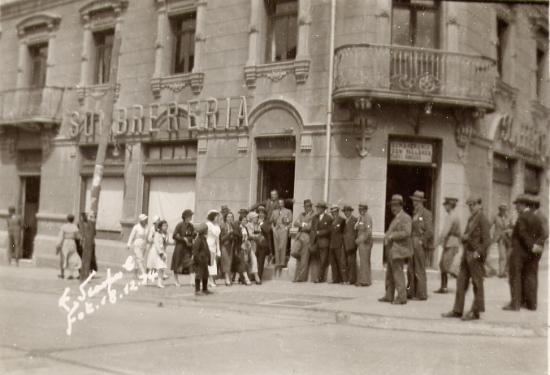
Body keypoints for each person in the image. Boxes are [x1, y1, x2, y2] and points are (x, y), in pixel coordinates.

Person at [443, 196, 491, 321]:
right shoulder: (471, 218)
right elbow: (467, 235)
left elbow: (487, 241)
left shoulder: (483, 219)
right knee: (461, 282)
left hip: (475, 256)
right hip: (467, 255)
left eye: (473, 204)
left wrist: (479, 253)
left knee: (477, 284)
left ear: (479, 205)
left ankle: (476, 312)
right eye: (469, 205)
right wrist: (464, 238)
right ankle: (457, 310)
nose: (471, 207)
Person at [503, 195, 545, 311]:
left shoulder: (521, 217)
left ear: (522, 205)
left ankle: (515, 304)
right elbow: (542, 233)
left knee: (515, 277)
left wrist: (530, 246)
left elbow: (522, 234)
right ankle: (531, 304)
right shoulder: (537, 217)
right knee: (530, 277)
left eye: (517, 205)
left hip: (519, 252)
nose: (516, 208)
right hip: (532, 254)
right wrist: (536, 246)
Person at [379, 195, 412, 304]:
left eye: (396, 205)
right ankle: (389, 295)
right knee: (389, 274)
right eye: (392, 205)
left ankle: (402, 297)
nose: (393, 208)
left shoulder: (405, 217)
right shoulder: (396, 217)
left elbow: (407, 233)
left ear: (401, 206)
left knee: (398, 274)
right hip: (392, 250)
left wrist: (392, 235)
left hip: (399, 250)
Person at [407, 191, 433, 301]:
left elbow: (430, 231)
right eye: (413, 201)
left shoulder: (426, 213)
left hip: (419, 244)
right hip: (412, 242)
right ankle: (411, 292)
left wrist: (422, 241)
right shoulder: (415, 213)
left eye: (416, 201)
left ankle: (421, 294)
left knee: (419, 268)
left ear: (421, 202)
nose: (414, 203)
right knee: (410, 268)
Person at [434, 197, 462, 293]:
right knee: (443, 265)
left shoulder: (451, 216)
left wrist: (437, 243)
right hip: (450, 243)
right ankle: (444, 287)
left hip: (451, 243)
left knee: (447, 266)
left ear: (450, 205)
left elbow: (445, 232)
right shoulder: (453, 215)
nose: (445, 207)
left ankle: (462, 281)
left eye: (446, 205)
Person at [171, 210, 195, 287]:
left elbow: (193, 236)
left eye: (191, 216)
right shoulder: (179, 225)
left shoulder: (191, 226)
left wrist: (190, 241)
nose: (191, 217)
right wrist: (183, 239)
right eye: (189, 216)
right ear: (185, 217)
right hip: (179, 247)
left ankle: (192, 281)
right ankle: (176, 280)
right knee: (177, 264)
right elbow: (174, 235)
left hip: (188, 248)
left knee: (191, 263)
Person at [293, 199, 315, 282]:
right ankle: (301, 258)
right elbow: (295, 223)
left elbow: (310, 227)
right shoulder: (301, 214)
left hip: (307, 237)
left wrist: (301, 224)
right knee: (293, 252)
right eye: (305, 206)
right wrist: (304, 224)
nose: (307, 208)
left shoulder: (314, 215)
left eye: (308, 206)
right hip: (299, 236)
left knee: (304, 260)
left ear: (311, 206)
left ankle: (300, 278)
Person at [311, 201, 332, 283]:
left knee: (323, 261)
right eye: (317, 208)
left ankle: (320, 277)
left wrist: (319, 233)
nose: (317, 209)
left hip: (324, 242)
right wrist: (312, 240)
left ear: (323, 209)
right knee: (317, 260)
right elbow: (312, 229)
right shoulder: (315, 217)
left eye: (319, 208)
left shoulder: (328, 218)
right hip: (316, 242)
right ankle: (316, 276)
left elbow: (329, 230)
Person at [271, 198, 292, 278]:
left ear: (284, 204)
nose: (280, 204)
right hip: (276, 230)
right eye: (279, 203)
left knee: (282, 246)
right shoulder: (274, 212)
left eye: (281, 203)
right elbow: (271, 221)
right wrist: (273, 228)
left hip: (283, 230)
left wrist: (287, 228)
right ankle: (277, 262)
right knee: (276, 246)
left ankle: (282, 262)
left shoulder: (288, 211)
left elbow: (290, 222)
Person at [56, 214, 82, 280]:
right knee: (73, 257)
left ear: (67, 219)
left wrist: (58, 245)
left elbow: (61, 237)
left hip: (65, 243)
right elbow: (78, 237)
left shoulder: (64, 227)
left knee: (64, 257)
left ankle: (62, 274)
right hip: (72, 242)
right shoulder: (75, 227)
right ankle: (71, 274)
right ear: (73, 220)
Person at [147, 220, 172, 288]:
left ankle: (159, 282)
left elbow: (167, 242)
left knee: (161, 268)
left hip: (162, 251)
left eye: (166, 226)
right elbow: (157, 245)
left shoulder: (166, 234)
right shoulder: (157, 234)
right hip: (156, 252)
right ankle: (147, 279)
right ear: (160, 227)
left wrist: (174, 243)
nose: (166, 227)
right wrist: (161, 254)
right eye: (164, 226)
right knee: (156, 267)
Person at [491, 204, 513, 278]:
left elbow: (512, 227)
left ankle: (506, 271)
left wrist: (509, 230)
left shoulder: (509, 217)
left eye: (504, 210)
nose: (503, 211)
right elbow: (489, 225)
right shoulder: (495, 217)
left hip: (508, 238)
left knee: (509, 255)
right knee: (502, 255)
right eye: (501, 209)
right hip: (500, 238)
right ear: (499, 210)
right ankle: (501, 272)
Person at [355, 202, 373, 287]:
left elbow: (368, 232)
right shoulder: (361, 217)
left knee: (364, 261)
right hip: (361, 242)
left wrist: (360, 240)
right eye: (359, 209)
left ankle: (364, 281)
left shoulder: (367, 217)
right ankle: (365, 280)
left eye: (362, 209)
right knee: (363, 261)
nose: (360, 210)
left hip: (365, 243)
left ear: (365, 209)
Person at [193, 223, 213, 296]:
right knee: (199, 275)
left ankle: (205, 289)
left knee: (205, 275)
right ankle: (197, 290)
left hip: (204, 261)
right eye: (206, 230)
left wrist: (208, 259)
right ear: (203, 231)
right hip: (200, 261)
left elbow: (207, 250)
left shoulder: (203, 239)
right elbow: (195, 252)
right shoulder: (198, 240)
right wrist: (198, 260)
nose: (207, 231)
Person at [126, 214, 149, 279]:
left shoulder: (147, 227)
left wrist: (147, 244)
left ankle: (135, 274)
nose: (145, 221)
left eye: (145, 219)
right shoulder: (136, 227)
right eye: (144, 220)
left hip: (144, 244)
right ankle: (144, 273)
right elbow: (131, 236)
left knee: (137, 259)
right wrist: (128, 244)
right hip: (137, 244)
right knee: (140, 259)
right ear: (141, 220)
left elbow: (147, 236)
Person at [329, 205, 347, 284]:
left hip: (339, 244)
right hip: (332, 244)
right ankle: (335, 279)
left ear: (338, 212)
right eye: (332, 212)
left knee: (340, 262)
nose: (334, 213)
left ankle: (343, 279)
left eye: (335, 212)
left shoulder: (342, 220)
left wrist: (343, 243)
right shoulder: (331, 221)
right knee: (333, 263)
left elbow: (344, 233)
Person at [220, 211, 238, 286]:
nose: (230, 218)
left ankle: (228, 277)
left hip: (232, 246)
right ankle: (227, 277)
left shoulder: (233, 226)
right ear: (226, 218)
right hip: (225, 245)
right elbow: (222, 239)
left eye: (231, 217)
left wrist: (234, 235)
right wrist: (229, 233)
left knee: (230, 261)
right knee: (226, 261)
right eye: (228, 217)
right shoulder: (223, 226)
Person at [79, 212, 97, 281]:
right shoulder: (86, 224)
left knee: (87, 259)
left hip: (89, 244)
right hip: (87, 243)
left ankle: (85, 274)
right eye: (90, 216)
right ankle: (84, 274)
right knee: (85, 259)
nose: (91, 218)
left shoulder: (89, 224)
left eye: (92, 217)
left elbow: (92, 234)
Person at [342, 205, 358, 285]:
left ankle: (351, 280)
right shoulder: (344, 221)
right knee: (344, 262)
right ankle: (345, 279)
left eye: (348, 211)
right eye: (345, 211)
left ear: (351, 211)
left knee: (351, 263)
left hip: (351, 245)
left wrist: (354, 244)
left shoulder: (355, 220)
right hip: (344, 244)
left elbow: (356, 233)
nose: (346, 213)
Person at [206, 210, 222, 287]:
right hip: (207, 245)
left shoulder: (217, 226)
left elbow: (217, 239)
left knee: (212, 264)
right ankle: (210, 280)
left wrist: (218, 250)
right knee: (209, 264)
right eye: (216, 217)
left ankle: (211, 280)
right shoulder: (208, 225)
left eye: (217, 217)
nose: (217, 218)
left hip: (213, 247)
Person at [256, 206, 272, 281]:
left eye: (262, 213)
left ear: (265, 215)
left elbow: (267, 230)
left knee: (260, 261)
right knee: (253, 261)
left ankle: (259, 277)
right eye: (259, 213)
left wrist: (261, 224)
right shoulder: (255, 221)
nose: (261, 214)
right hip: (254, 244)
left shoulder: (267, 222)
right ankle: (253, 276)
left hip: (263, 245)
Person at [246, 211, 262, 284]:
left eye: (257, 217)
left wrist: (258, 236)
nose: (257, 218)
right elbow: (249, 235)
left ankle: (247, 277)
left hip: (255, 245)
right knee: (253, 260)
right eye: (255, 217)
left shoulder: (257, 225)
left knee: (251, 261)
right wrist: (256, 236)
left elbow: (260, 233)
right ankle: (256, 276)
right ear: (252, 218)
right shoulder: (248, 225)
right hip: (248, 245)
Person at [237, 215, 253, 285]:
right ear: (240, 221)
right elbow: (237, 238)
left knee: (246, 262)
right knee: (243, 262)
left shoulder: (245, 228)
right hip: (240, 247)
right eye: (243, 220)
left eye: (246, 220)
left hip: (246, 247)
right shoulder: (238, 228)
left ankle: (241, 278)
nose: (245, 221)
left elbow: (248, 237)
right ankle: (246, 278)